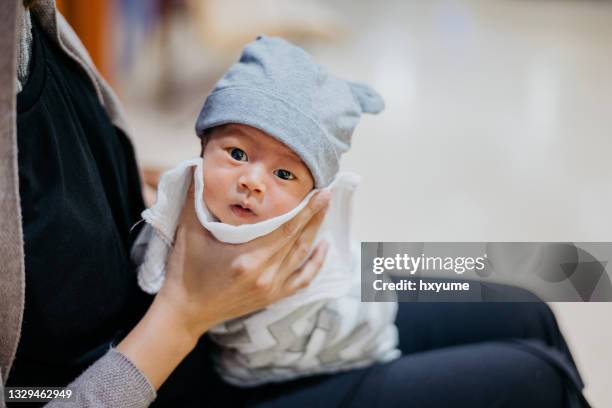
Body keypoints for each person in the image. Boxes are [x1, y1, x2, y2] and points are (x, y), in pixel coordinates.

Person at [0, 1, 591, 407]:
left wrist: (151, 181)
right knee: (536, 379)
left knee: (521, 294)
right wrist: (184, 316)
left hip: (269, 294)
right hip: (166, 361)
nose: (257, 180)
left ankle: (588, 269)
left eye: (281, 171)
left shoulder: (33, 22)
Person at [133, 35, 399, 387]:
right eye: (237, 154)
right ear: (203, 147)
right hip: (257, 384)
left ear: (311, 195)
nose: (252, 182)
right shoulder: (178, 199)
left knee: (482, 279)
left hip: (356, 309)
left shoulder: (305, 223)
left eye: (284, 174)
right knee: (499, 364)